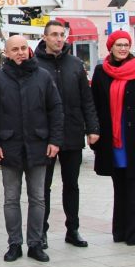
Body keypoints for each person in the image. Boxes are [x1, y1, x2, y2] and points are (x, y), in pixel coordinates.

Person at [0, 35, 63, 262]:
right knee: (11, 198)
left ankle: (35, 244)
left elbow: (56, 110)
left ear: (29, 50)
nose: (20, 52)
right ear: (6, 53)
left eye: (23, 48)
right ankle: (14, 243)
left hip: (39, 147)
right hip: (8, 148)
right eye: (14, 49)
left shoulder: (43, 77)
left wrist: (55, 141)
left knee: (38, 198)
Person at [33, 20, 100, 249]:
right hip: (45, 136)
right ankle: (41, 231)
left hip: (72, 133)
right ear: (45, 37)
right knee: (44, 186)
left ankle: (73, 229)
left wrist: (92, 128)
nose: (59, 39)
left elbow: (87, 99)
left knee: (72, 185)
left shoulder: (75, 64)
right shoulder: (34, 64)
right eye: (54, 35)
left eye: (62, 34)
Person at [90, 31, 135, 246]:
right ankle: (120, 231)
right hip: (112, 137)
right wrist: (94, 133)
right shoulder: (101, 72)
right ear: (110, 47)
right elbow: (96, 104)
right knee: (119, 183)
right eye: (119, 44)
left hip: (134, 137)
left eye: (126, 44)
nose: (123, 48)